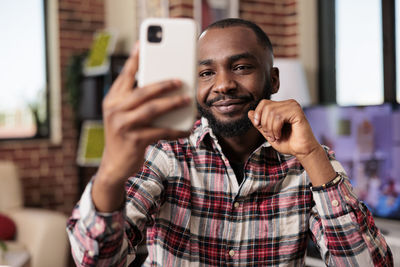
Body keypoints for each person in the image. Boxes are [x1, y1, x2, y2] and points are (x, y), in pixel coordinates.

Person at [67, 18, 393, 266]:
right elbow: (95, 260)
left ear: (274, 79)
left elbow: (367, 262)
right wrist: (109, 173)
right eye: (206, 73)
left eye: (241, 67)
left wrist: (310, 153)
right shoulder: (165, 155)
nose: (223, 84)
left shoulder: (311, 162)